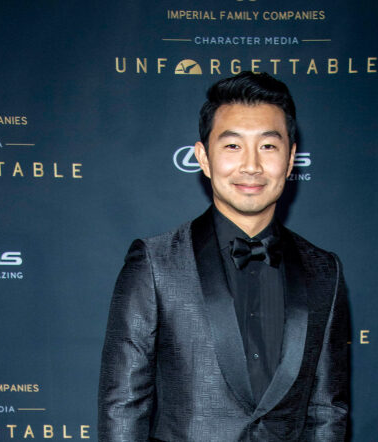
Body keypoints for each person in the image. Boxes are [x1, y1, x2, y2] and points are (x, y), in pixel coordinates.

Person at [98, 71, 350, 441]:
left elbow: (327, 409)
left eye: (268, 146)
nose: (251, 166)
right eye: (232, 146)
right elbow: (123, 407)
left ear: (291, 158)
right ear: (203, 157)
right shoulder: (155, 263)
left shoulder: (324, 270)